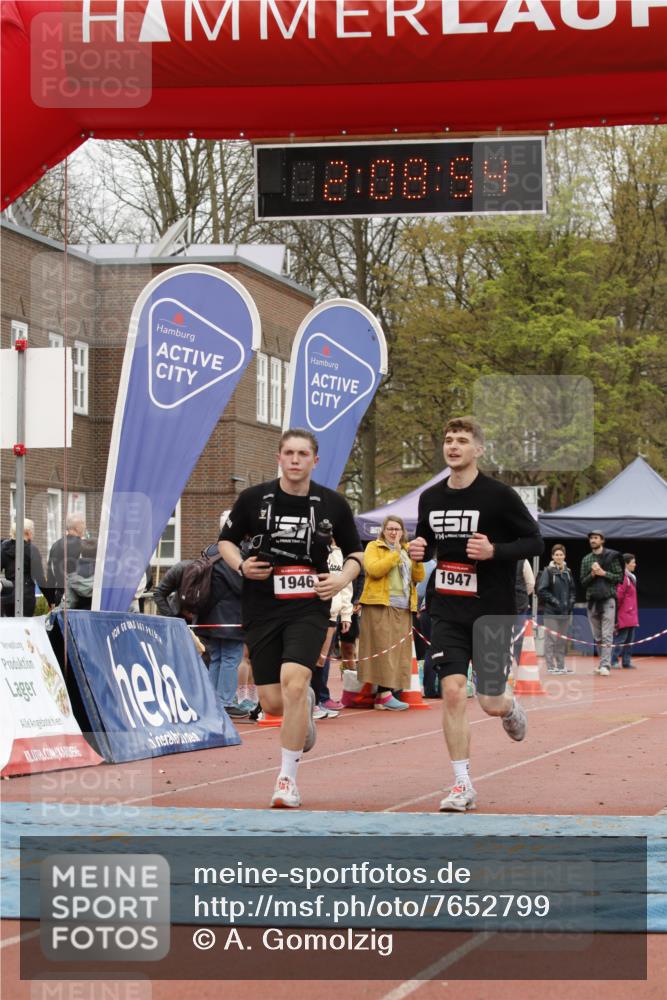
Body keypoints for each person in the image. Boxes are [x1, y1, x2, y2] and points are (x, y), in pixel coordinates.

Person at [219, 428, 363, 809]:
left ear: (315, 460)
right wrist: (241, 566)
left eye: (303, 453)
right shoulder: (253, 499)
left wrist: (341, 578)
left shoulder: (332, 504)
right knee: (273, 703)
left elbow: (356, 553)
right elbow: (226, 541)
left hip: (309, 603)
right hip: (263, 605)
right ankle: (305, 708)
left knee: (294, 682)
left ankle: (286, 780)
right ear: (279, 458)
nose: (296, 459)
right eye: (289, 453)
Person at [408, 416, 544, 813]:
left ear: (478, 450)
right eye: (449, 440)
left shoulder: (499, 496)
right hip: (447, 607)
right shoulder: (430, 498)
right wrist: (420, 550)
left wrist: (494, 552)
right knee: (452, 691)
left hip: (491, 611)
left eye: (462, 441)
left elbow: (534, 540)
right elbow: (428, 542)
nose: (453, 446)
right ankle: (461, 783)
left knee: (489, 701)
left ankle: (509, 707)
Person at [358, 516, 424, 710]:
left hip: (404, 607)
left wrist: (416, 560)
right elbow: (373, 570)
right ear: (383, 531)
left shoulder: (406, 550)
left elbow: (418, 577)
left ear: (403, 531)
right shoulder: (374, 547)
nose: (394, 532)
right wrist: (394, 554)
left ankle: (388, 693)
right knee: (384, 649)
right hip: (381, 605)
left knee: (397, 652)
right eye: (390, 529)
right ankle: (383, 695)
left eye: (397, 529)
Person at [311, 538, 354, 717]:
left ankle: (319, 699)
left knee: (322, 659)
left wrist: (346, 614)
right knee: (311, 657)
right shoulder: (313, 549)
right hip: (314, 611)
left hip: (333, 612)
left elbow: (345, 585)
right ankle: (311, 701)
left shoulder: (339, 553)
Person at [580, 530, 624, 677]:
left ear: (602, 540)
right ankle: (602, 663)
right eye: (591, 538)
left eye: (596, 538)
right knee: (597, 636)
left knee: (607, 634)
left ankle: (606, 664)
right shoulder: (586, 559)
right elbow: (583, 582)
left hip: (608, 599)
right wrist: (592, 574)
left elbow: (619, 577)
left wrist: (603, 573)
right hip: (592, 600)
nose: (593, 540)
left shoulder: (612, 556)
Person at [537, 543, 576, 674]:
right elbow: (541, 590)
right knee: (551, 640)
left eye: (561, 554)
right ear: (553, 556)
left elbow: (572, 590)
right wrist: (555, 601)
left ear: (564, 556)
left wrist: (571, 602)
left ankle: (560, 666)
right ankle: (550, 667)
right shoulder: (548, 571)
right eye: (556, 554)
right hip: (551, 612)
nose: (559, 556)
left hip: (565, 612)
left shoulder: (568, 572)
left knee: (561, 640)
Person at [1, 519, 46, 617]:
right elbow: (40, 578)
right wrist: (51, 599)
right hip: (26, 597)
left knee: (10, 627)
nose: (33, 532)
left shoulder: (3, 548)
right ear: (27, 532)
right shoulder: (32, 550)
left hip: (8, 595)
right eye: (32, 530)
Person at [44, 513, 86, 607]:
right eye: (83, 524)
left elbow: (50, 574)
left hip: (60, 596)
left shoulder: (55, 545)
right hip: (79, 598)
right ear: (77, 527)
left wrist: (51, 601)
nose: (85, 527)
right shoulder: (84, 546)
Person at [611, 554, 639, 669]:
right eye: (633, 562)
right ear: (626, 564)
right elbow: (618, 597)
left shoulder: (631, 578)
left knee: (629, 640)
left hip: (632, 614)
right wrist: (616, 615)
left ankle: (626, 662)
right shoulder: (623, 578)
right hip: (624, 614)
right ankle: (613, 661)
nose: (635, 564)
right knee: (621, 639)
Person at [59, 536, 97, 610]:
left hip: (78, 619)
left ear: (81, 552)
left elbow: (68, 603)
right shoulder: (106, 576)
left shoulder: (71, 574)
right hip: (102, 619)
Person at [512, 558, 535, 666]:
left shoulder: (523, 561)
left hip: (519, 606)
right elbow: (530, 584)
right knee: (518, 637)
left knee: (518, 637)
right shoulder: (523, 560)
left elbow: (530, 584)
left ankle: (520, 663)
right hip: (516, 604)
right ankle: (519, 664)